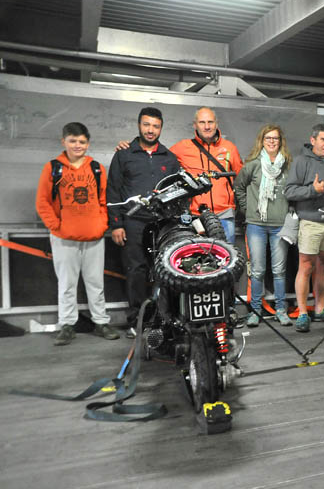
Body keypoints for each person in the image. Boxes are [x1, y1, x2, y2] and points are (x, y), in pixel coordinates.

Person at [35, 122, 119, 345]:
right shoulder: (53, 168)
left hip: (94, 236)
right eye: (72, 141)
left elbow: (104, 200)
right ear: (64, 141)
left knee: (96, 282)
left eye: (82, 141)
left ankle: (101, 322)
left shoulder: (96, 168)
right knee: (66, 284)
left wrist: (101, 225)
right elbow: (43, 201)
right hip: (64, 237)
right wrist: (57, 226)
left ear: (88, 143)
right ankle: (67, 325)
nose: (77, 145)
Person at [108, 107, 180, 337]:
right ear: (139, 125)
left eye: (155, 126)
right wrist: (116, 224)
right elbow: (113, 190)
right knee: (136, 271)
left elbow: (178, 192)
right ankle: (137, 321)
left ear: (161, 128)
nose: (151, 130)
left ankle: (165, 319)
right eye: (146, 125)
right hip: (134, 223)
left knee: (166, 271)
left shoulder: (169, 158)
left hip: (163, 224)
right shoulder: (124, 155)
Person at [284, 124, 324, 333]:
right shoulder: (301, 161)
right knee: (306, 267)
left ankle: (319, 308)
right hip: (311, 223)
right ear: (313, 140)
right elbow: (289, 191)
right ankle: (302, 313)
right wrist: (313, 190)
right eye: (323, 140)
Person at [235, 125, 293, 327]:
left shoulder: (287, 165)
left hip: (280, 225)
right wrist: (248, 209)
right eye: (268, 138)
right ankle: (255, 311)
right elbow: (239, 188)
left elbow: (293, 191)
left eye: (275, 138)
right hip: (256, 225)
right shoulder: (252, 165)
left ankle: (280, 310)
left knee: (279, 271)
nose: (272, 141)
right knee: (258, 270)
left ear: (280, 141)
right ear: (262, 140)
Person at [169, 107, 243, 242]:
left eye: (210, 122)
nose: (207, 126)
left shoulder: (230, 148)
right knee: (199, 255)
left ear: (216, 124)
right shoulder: (182, 147)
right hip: (196, 218)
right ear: (195, 125)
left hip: (224, 215)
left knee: (227, 254)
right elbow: (158, 156)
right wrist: (132, 145)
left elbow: (242, 178)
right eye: (202, 122)